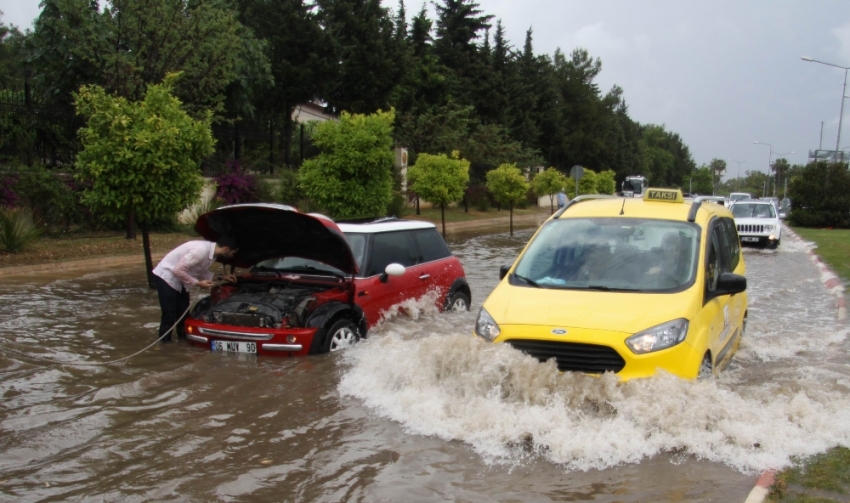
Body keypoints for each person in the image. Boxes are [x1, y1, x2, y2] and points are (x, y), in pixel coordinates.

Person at [152, 236, 239, 341]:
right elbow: (177, 270)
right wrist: (198, 283)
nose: (231, 256)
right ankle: (165, 345)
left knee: (183, 315)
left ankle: (183, 342)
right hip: (167, 278)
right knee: (169, 315)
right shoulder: (201, 251)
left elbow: (198, 271)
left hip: (181, 280)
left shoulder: (210, 253)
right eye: (232, 253)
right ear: (226, 249)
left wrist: (221, 277)